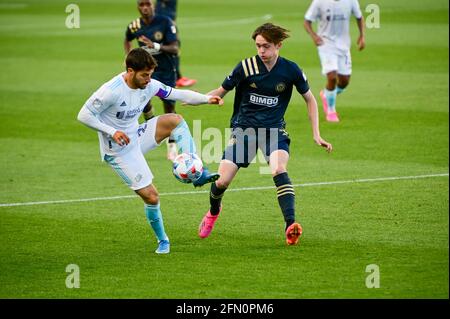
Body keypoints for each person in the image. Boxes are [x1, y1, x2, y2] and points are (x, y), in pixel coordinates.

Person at [197, 23, 333, 246]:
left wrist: (317, 134)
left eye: (266, 46)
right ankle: (213, 212)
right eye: (258, 46)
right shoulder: (245, 67)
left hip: (273, 130)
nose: (261, 51)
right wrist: (196, 99)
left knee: (279, 168)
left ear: (278, 45)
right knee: (221, 182)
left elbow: (310, 99)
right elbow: (220, 92)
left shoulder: (291, 70)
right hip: (244, 129)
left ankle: (291, 225)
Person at [77, 48, 223, 254]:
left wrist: (207, 99)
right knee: (152, 197)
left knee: (175, 120)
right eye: (144, 75)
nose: (148, 79)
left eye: (150, 74)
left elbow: (177, 93)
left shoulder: (150, 85)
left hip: (136, 135)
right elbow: (84, 115)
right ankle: (163, 240)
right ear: (130, 71)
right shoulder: (111, 90)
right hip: (119, 150)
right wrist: (112, 131)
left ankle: (196, 172)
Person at [124, 0, 179, 161]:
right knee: (144, 103)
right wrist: (128, 57)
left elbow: (175, 48)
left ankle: (172, 146)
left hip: (166, 70)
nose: (145, 8)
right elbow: (127, 38)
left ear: (153, 5)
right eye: (141, 5)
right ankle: (153, 125)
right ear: (138, 7)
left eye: (148, 4)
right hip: (146, 71)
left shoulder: (165, 22)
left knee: (169, 107)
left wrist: (155, 45)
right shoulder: (134, 26)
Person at [304, 0, 365, 122]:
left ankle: (327, 94)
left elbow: (359, 17)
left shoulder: (351, 1)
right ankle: (331, 111)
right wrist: (314, 36)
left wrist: (362, 35)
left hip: (344, 46)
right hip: (326, 45)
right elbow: (307, 22)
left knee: (344, 81)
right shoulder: (319, 2)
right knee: (332, 77)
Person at [155, 0, 197, 88]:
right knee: (171, 48)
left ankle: (177, 76)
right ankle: (175, 78)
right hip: (165, 20)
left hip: (169, 19)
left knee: (174, 47)